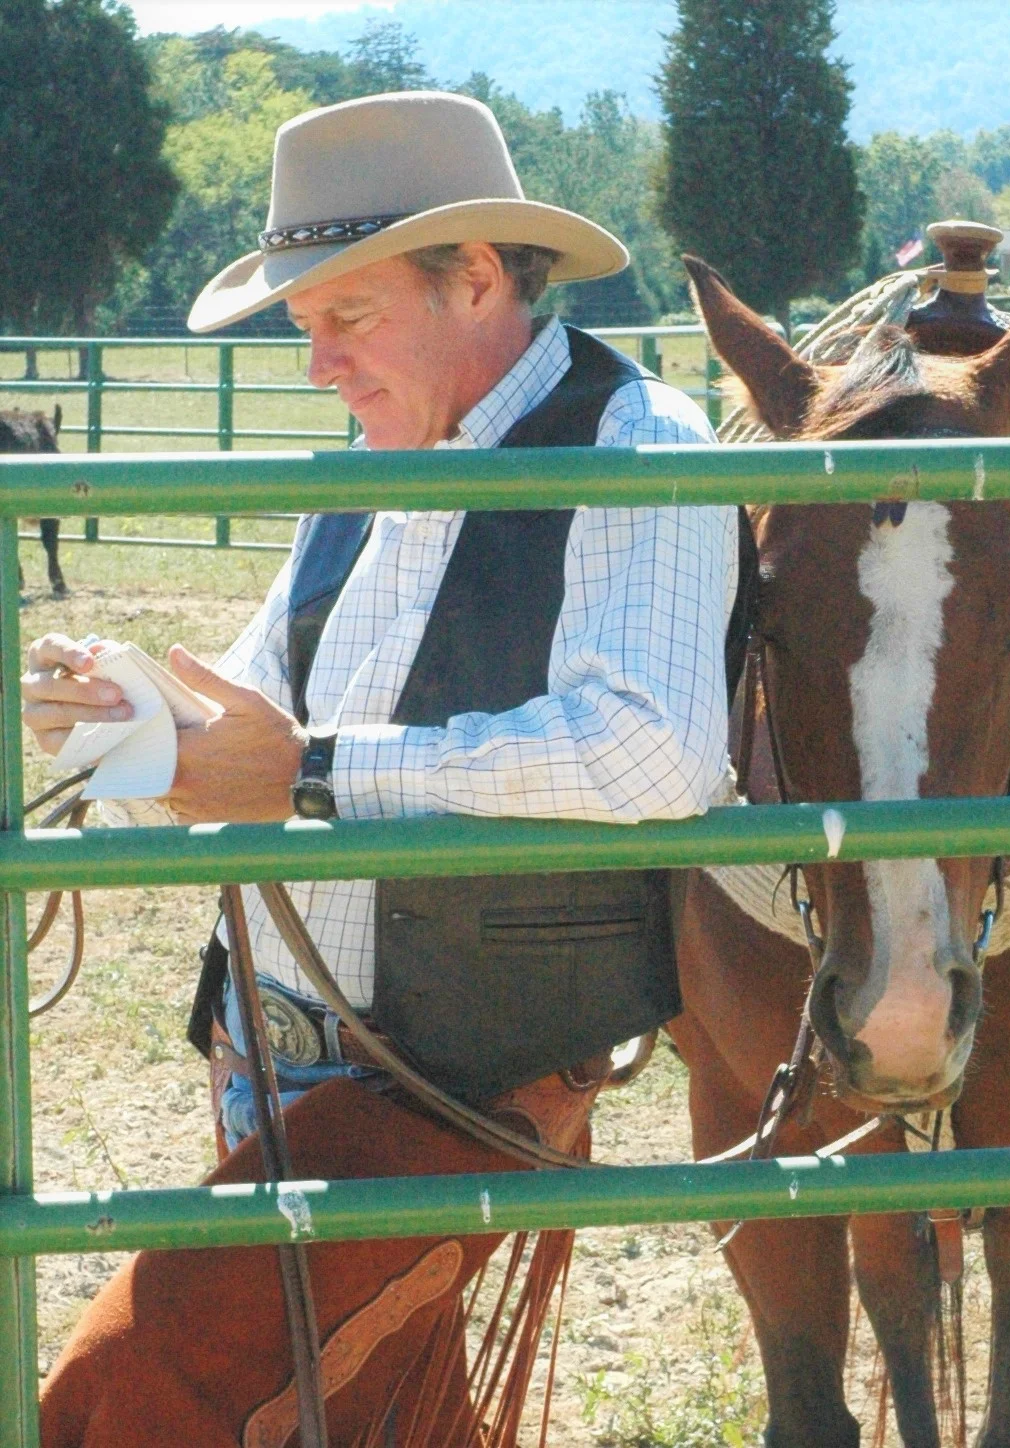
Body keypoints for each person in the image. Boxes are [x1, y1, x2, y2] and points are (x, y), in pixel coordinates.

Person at [26, 91, 737, 1445]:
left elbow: (652, 745)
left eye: (343, 319)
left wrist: (304, 778)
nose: (319, 368)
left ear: (476, 276)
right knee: (373, 1417)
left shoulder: (638, 444)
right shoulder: (371, 456)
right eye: (304, 331)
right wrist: (131, 728)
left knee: (129, 1396)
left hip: (457, 1071)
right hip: (284, 1049)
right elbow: (254, 709)